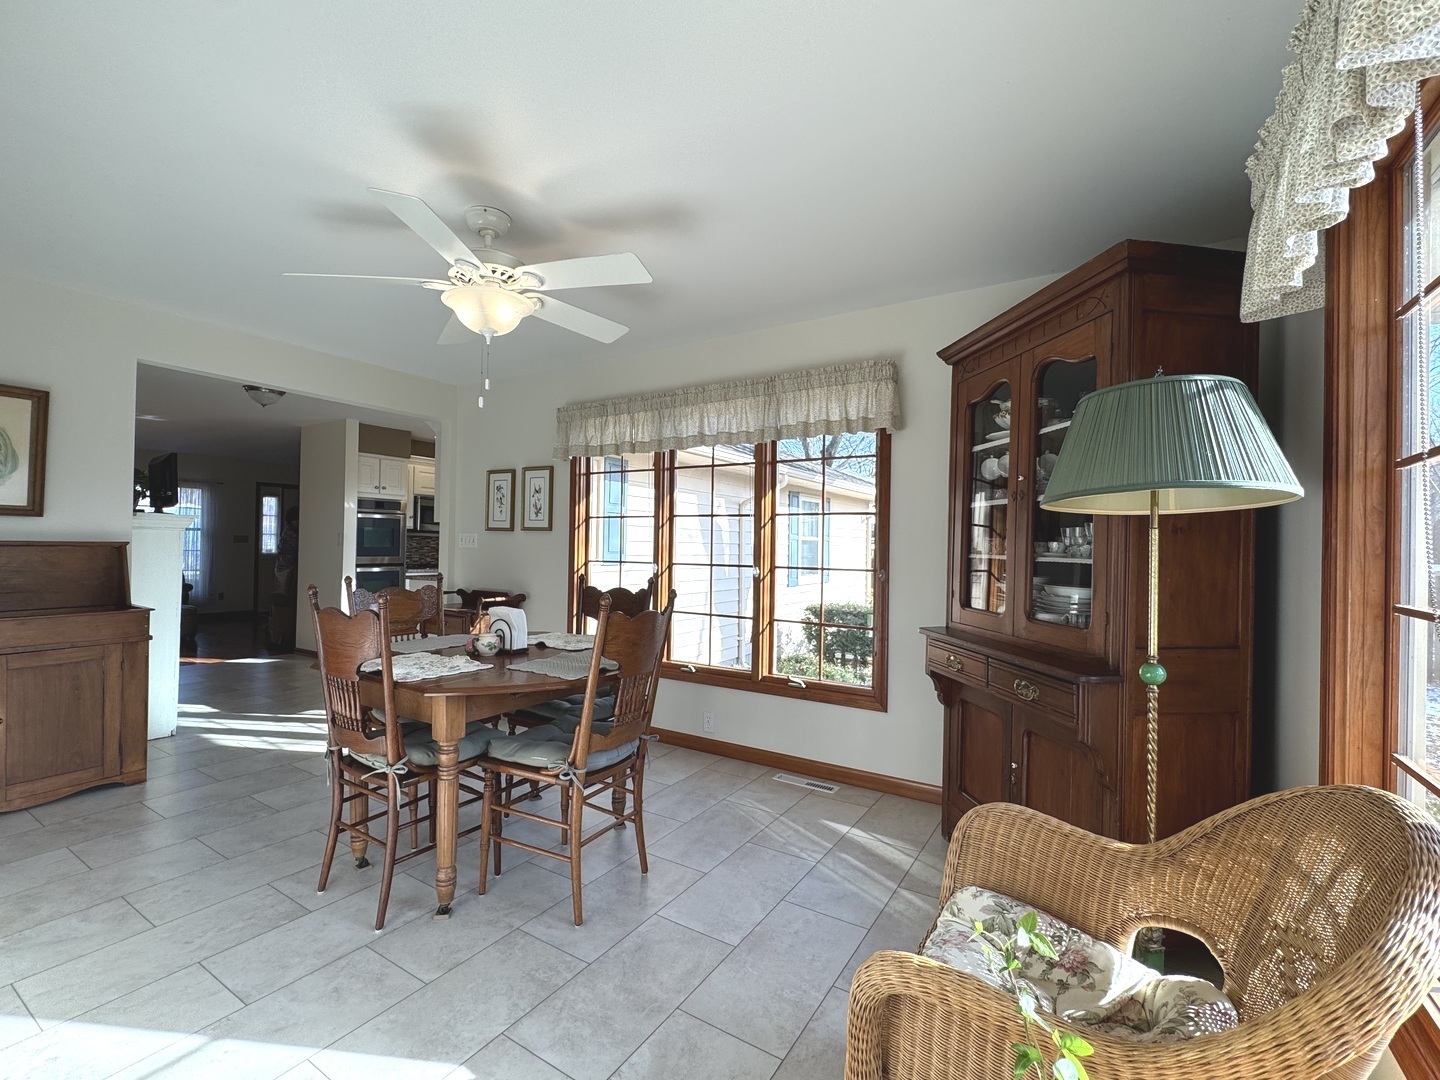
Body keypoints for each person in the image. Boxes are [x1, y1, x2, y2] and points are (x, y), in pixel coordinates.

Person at [274, 505, 300, 594]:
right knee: (287, 593)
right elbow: (298, 547)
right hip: (285, 567)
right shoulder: (289, 532)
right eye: (295, 520)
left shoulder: (293, 531)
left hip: (286, 566)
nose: (297, 522)